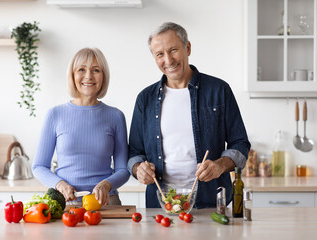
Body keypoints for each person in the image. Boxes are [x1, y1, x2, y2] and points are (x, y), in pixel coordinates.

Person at [127, 22, 251, 208]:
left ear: (188, 48)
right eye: (160, 54)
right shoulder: (145, 99)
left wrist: (219, 165)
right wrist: (138, 169)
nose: (168, 60)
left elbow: (240, 144)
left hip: (210, 203)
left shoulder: (219, 90)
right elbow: (134, 153)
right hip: (161, 205)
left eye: (173, 50)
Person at [33, 47, 130, 206]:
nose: (88, 76)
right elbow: (38, 166)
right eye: (81, 69)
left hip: (105, 203)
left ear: (103, 76)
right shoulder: (55, 114)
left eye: (96, 70)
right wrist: (60, 185)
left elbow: (123, 170)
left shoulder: (116, 116)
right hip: (66, 203)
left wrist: (106, 184)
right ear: (72, 75)